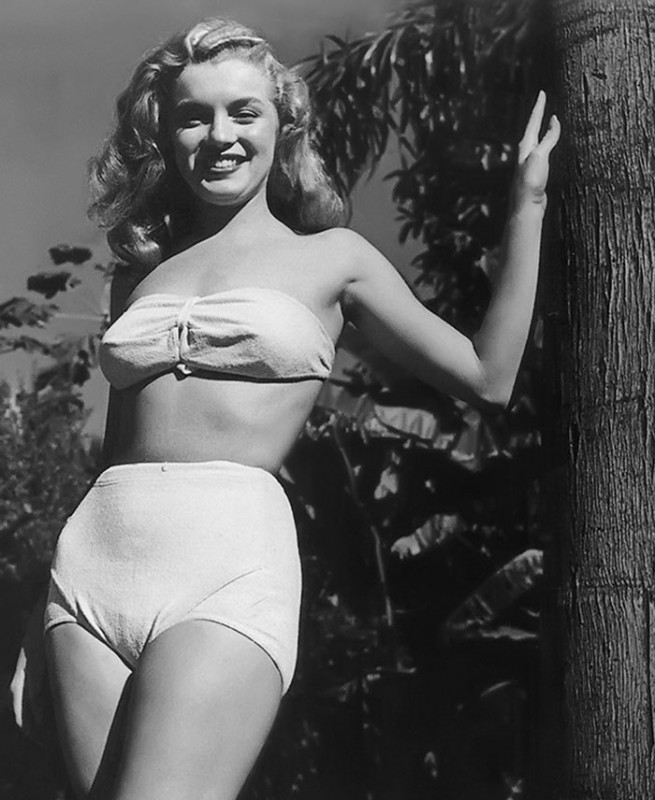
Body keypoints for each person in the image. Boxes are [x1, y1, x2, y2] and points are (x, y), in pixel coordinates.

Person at [41, 16, 560, 800]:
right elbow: (119, 447)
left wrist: (527, 204)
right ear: (165, 136)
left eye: (242, 112)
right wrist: (36, 619)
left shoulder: (333, 259)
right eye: (193, 117)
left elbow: (488, 377)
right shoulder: (139, 275)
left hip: (223, 566)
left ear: (282, 125)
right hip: (89, 570)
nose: (219, 136)